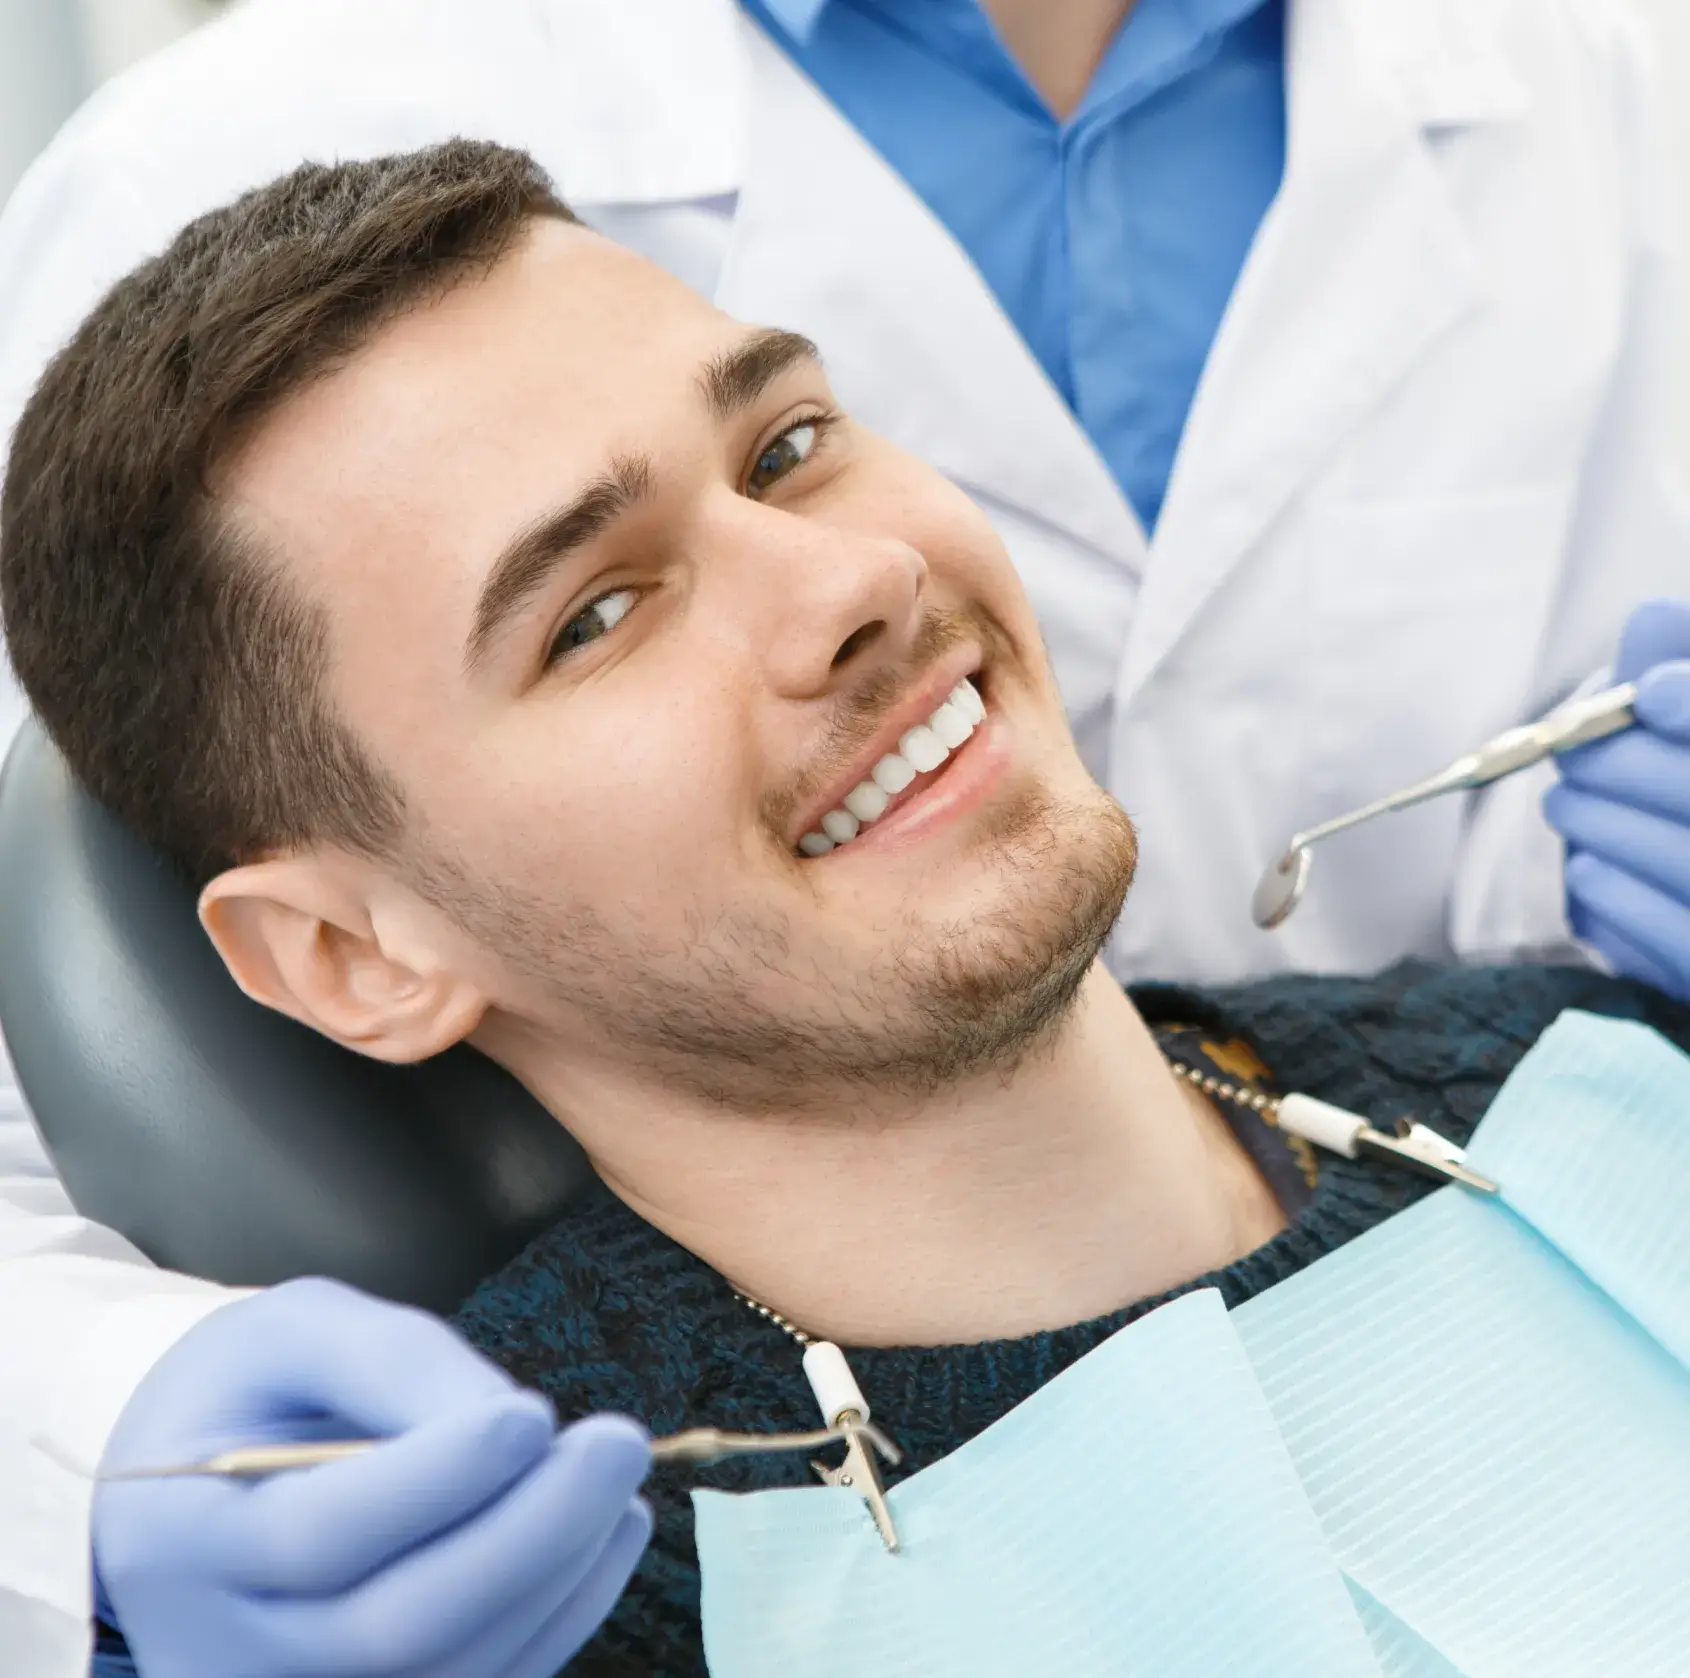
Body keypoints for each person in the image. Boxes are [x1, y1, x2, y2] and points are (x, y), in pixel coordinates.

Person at [0, 0, 1687, 1663]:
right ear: (353, 953)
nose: (859, 583)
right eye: (591, 618)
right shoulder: (582, 1605)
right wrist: (101, 1443)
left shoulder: (1600, 1094)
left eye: (791, 446)